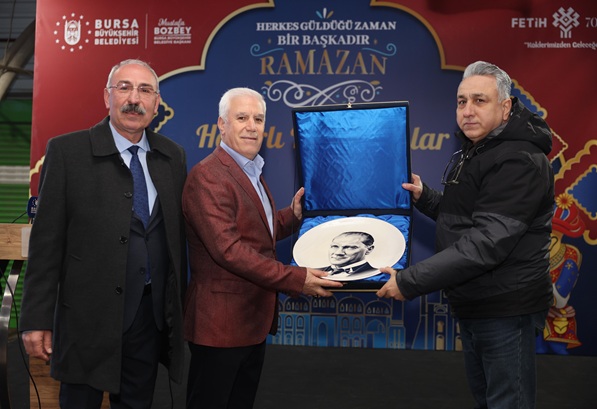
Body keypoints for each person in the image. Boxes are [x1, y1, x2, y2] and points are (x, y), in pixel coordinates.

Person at [377, 61, 554, 409]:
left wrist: (409, 281)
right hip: (477, 301)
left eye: (479, 100)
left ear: (505, 107)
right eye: (461, 101)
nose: (467, 110)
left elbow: (486, 242)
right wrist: (425, 197)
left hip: (505, 307)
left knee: (507, 403)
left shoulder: (518, 160)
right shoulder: (480, 149)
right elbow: (466, 217)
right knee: (487, 399)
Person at [19, 59, 187, 409]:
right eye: (124, 87)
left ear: (157, 104)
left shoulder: (172, 157)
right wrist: (35, 319)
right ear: (107, 97)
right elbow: (46, 244)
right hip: (85, 320)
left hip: (147, 319)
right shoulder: (67, 153)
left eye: (145, 90)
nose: (134, 99)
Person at [182, 87, 343, 409]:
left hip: (251, 323)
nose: (252, 126)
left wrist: (292, 216)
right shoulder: (208, 176)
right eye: (242, 118)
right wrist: (296, 279)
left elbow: (258, 234)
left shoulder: (250, 170)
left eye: (258, 119)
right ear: (221, 124)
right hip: (220, 327)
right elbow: (229, 250)